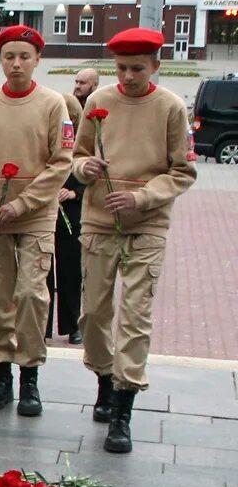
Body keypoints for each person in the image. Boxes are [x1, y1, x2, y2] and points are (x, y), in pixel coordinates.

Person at [73, 28, 196, 453]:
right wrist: (85, 168)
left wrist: (143, 197)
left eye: (138, 69)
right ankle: (104, 378)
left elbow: (183, 170)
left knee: (135, 316)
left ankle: (123, 406)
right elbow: (76, 156)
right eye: (122, 68)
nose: (128, 77)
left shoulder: (171, 107)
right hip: (99, 220)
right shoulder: (97, 102)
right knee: (93, 313)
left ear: (156, 66)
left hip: (147, 224)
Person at [0, 25, 72, 417]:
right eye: (9, 56)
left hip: (35, 216)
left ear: (37, 59)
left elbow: (61, 162)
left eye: (24, 56)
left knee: (30, 295)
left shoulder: (53, 104)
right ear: (0, 60)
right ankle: (1, 377)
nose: (16, 64)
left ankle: (30, 379)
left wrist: (24, 203)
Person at [50, 67, 97, 345]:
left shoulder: (83, 138)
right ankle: (41, 327)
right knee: (42, 272)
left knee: (70, 271)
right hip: (46, 209)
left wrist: (75, 193)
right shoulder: (47, 135)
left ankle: (72, 325)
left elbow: (89, 169)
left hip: (72, 211)